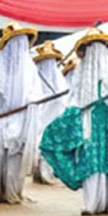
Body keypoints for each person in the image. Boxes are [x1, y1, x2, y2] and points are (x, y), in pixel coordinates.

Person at [41, 28, 108, 215]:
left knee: (99, 161)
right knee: (103, 161)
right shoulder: (102, 73)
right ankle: (103, 203)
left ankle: (95, 204)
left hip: (95, 125)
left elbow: (76, 101)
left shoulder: (103, 73)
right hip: (96, 124)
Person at [0, 23, 44, 204]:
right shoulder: (26, 67)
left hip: (0, 120)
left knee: (4, 159)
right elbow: (35, 95)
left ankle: (4, 193)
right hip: (12, 119)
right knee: (11, 160)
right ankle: (12, 193)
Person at [32, 41, 68, 184]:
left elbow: (63, 99)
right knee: (39, 143)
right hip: (40, 115)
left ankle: (47, 174)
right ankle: (39, 173)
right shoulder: (35, 77)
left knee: (49, 145)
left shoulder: (58, 79)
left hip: (53, 117)